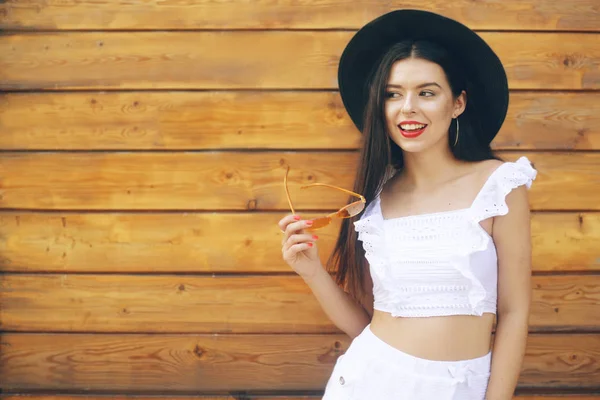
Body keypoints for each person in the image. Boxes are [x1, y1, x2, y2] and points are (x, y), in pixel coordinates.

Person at [278, 9, 537, 400]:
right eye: (392, 94)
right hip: (369, 381)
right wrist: (312, 271)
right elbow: (367, 323)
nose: (408, 108)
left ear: (458, 103)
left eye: (427, 93)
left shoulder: (498, 186)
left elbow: (515, 313)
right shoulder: (376, 198)